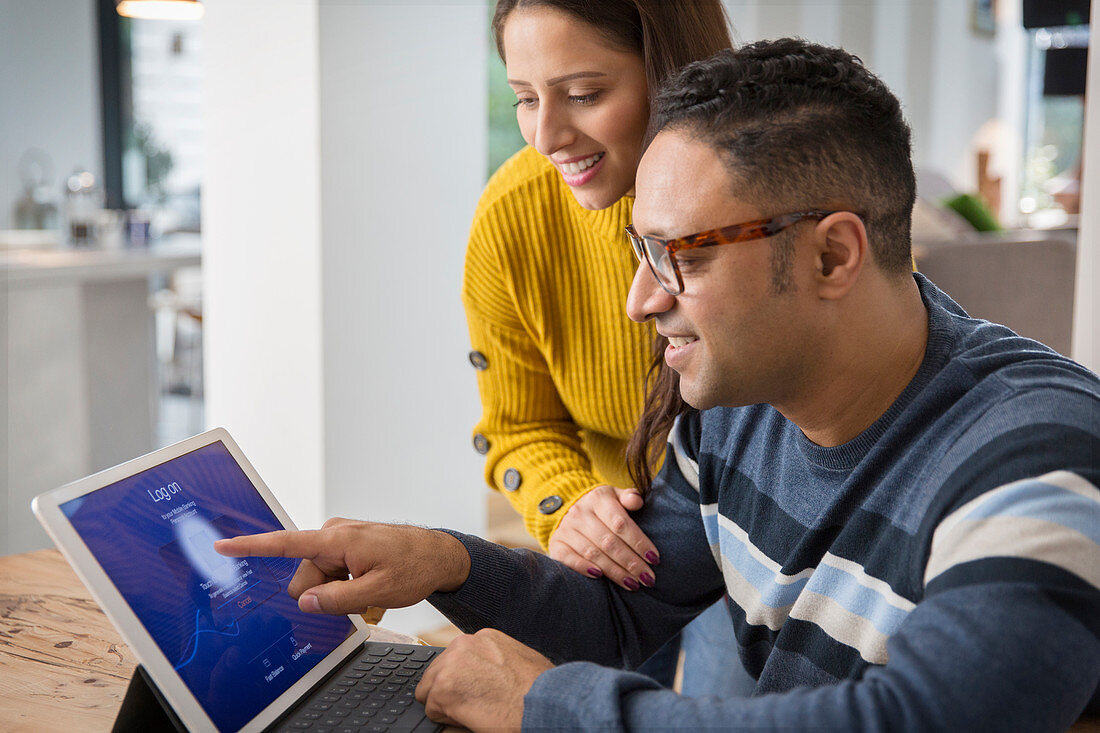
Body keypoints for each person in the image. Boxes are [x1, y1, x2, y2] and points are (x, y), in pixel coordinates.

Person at [218, 40, 1100, 730]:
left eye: (688, 256)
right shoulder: (735, 412)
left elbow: (924, 720)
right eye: (644, 250)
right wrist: (445, 561)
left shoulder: (1038, 455)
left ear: (834, 253)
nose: (643, 300)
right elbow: (618, 618)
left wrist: (551, 708)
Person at [464, 0, 745, 693]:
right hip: (620, 543)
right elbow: (518, 427)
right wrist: (573, 508)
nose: (546, 136)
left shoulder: (767, 196)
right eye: (525, 99)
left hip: (751, 534)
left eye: (584, 94)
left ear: (669, 71)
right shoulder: (513, 217)